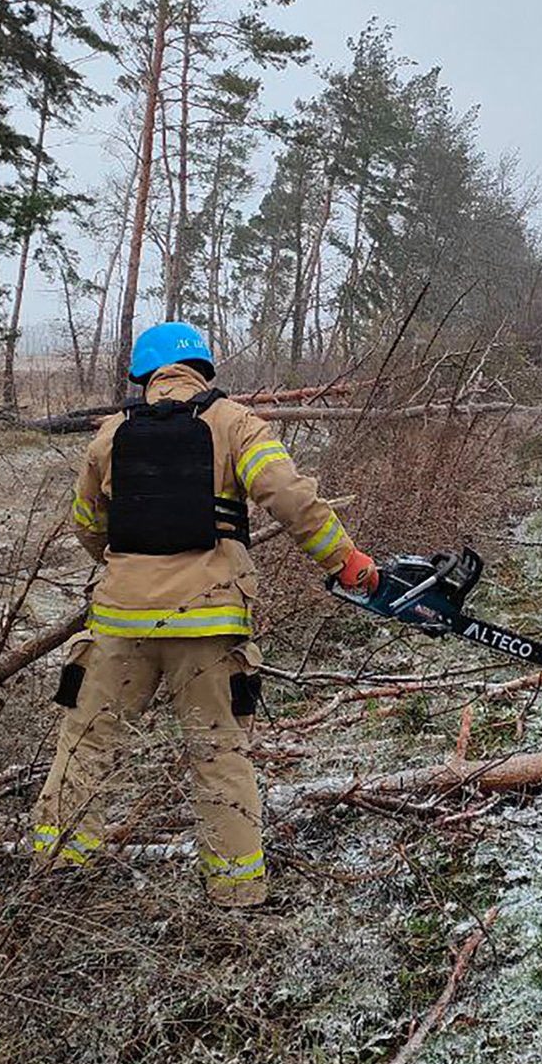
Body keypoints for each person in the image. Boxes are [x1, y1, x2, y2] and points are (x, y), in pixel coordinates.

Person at [31, 321, 378, 907]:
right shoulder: (236, 423)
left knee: (87, 745)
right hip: (210, 626)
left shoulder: (109, 435)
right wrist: (347, 562)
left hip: (119, 624)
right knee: (218, 754)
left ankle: (56, 876)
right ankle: (237, 892)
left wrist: (128, 570)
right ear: (202, 370)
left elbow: (87, 526)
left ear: (142, 375)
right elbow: (292, 500)